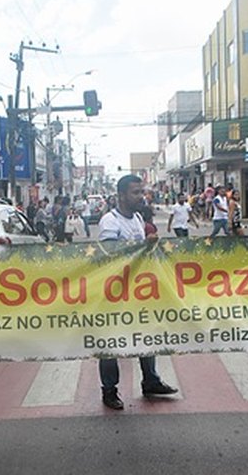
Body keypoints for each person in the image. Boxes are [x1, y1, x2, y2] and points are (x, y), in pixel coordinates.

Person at [97, 174, 177, 410]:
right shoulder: (110, 221)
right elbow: (110, 255)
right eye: (135, 193)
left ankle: (150, 381)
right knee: (110, 340)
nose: (141, 197)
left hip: (139, 291)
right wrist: (143, 245)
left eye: (142, 192)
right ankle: (109, 390)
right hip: (115, 293)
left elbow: (142, 254)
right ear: (121, 195)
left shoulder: (138, 218)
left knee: (146, 334)